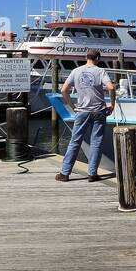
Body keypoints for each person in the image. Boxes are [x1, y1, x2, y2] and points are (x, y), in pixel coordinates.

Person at [56, 49, 116, 182]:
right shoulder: (100, 71)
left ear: (86, 57)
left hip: (82, 111)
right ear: (98, 59)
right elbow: (111, 88)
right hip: (99, 111)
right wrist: (112, 104)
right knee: (96, 142)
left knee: (75, 141)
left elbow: (64, 90)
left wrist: (73, 107)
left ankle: (65, 173)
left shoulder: (76, 71)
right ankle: (92, 173)